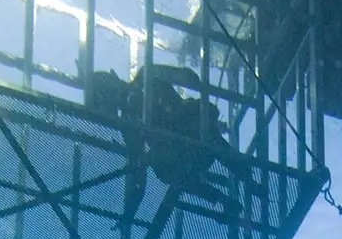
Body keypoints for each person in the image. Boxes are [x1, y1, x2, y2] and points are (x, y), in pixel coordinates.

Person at [86, 64, 252, 220]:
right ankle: (224, 197)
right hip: (185, 155)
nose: (115, 96)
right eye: (106, 94)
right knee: (163, 169)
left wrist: (177, 85)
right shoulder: (130, 125)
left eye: (108, 89)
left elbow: (186, 76)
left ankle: (242, 175)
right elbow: (139, 176)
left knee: (202, 132)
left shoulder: (146, 76)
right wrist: (128, 216)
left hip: (194, 129)